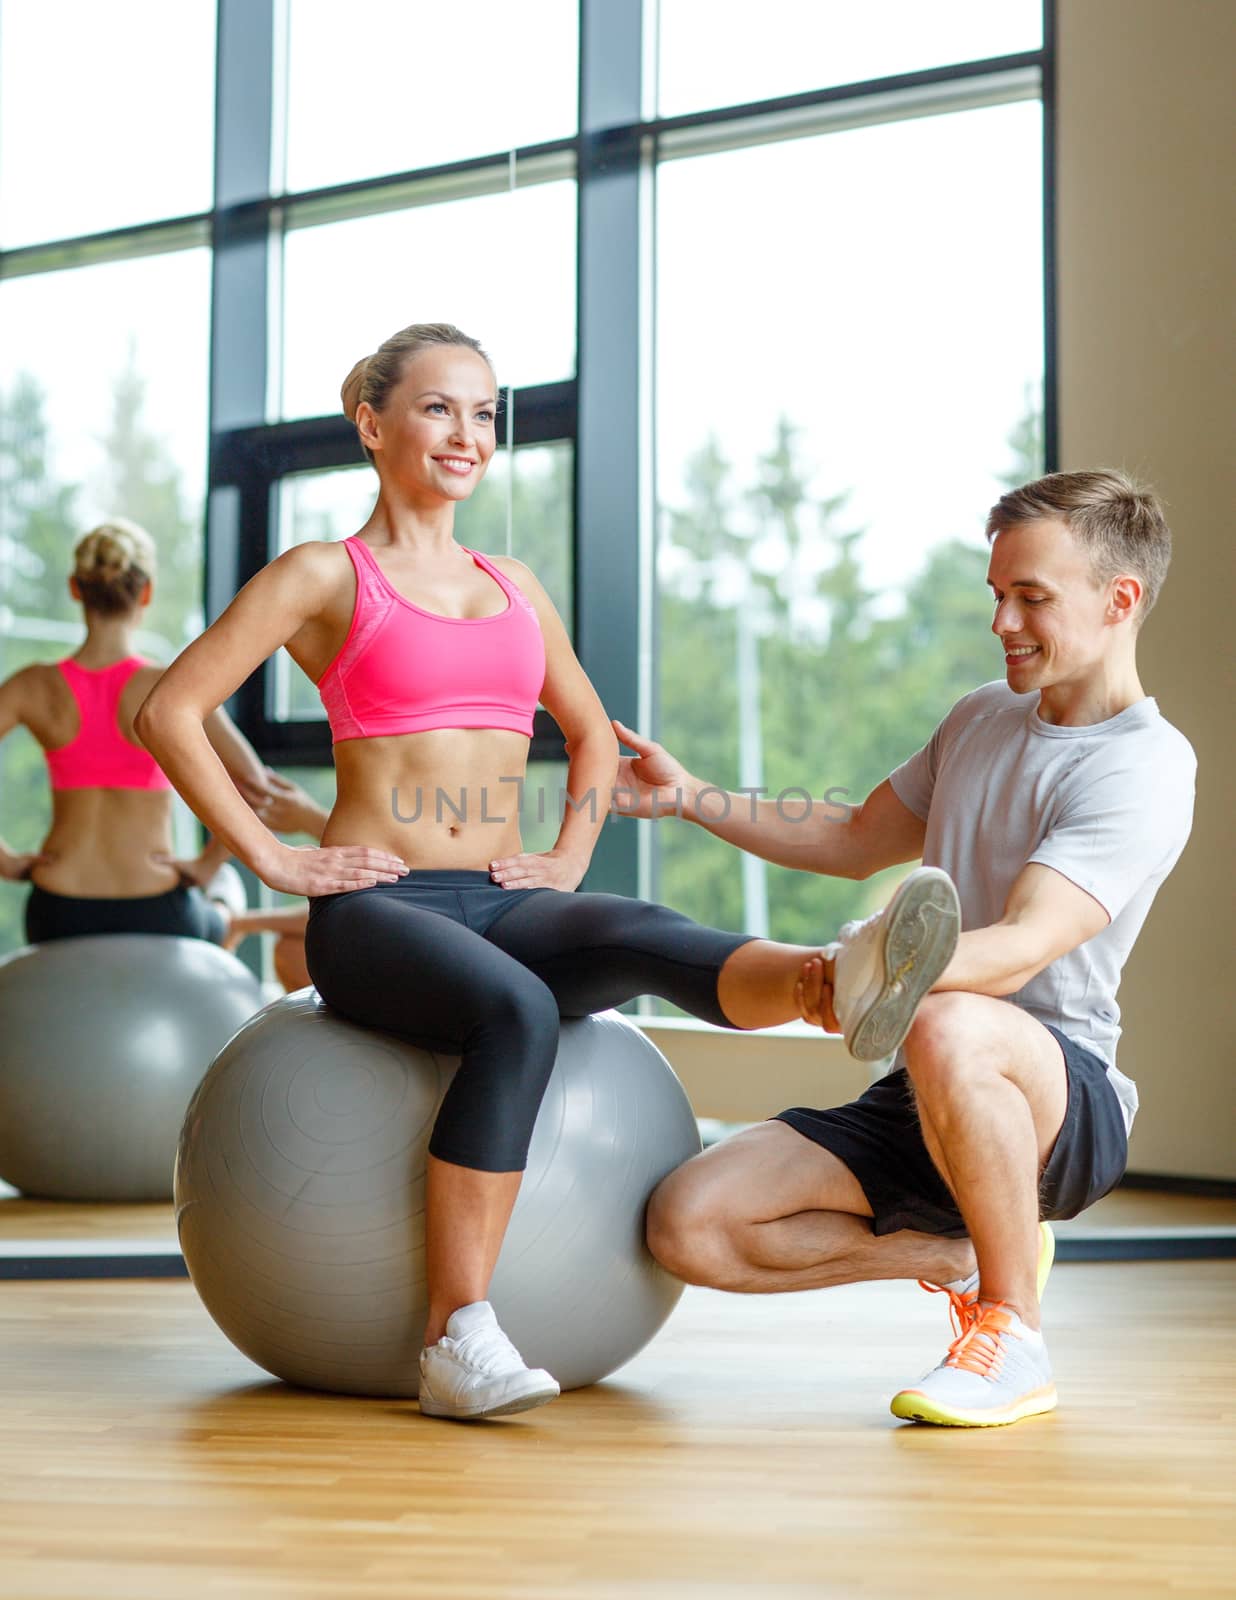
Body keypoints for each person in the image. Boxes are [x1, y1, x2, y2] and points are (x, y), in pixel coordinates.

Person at [133, 320, 960, 1423]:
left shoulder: (512, 582)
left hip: (499, 892)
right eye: (438, 408)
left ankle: (832, 982)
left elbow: (588, 733)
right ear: (373, 424)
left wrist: (567, 857)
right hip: (377, 907)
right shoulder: (325, 575)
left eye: (484, 413)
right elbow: (167, 709)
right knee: (516, 1012)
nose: (468, 434)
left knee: (643, 930)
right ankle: (455, 1337)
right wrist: (276, 855)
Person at [617, 469, 1196, 1429]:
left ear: (1119, 599)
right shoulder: (980, 717)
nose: (1004, 620)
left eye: (1033, 598)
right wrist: (691, 796)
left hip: (1061, 1094)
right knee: (689, 1224)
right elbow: (850, 837)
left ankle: (1013, 1333)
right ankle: (954, 1256)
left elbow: (1016, 951)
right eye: (996, 595)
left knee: (952, 1019)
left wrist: (875, 974)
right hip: (927, 1080)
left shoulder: (1143, 764)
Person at [0, 519, 312, 966]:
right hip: (156, 906)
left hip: (58, 908)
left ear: (75, 589)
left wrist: (6, 862)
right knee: (226, 897)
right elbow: (257, 784)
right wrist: (206, 866)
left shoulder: (32, 686)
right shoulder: (169, 685)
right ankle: (229, 918)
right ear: (145, 593)